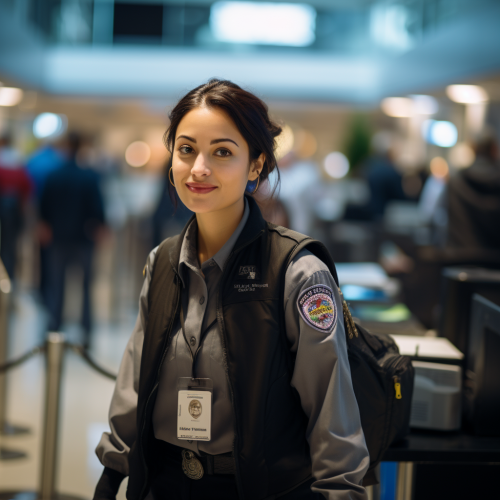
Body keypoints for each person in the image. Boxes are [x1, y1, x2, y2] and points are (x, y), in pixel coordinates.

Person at [93, 79, 369, 500]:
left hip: (255, 488)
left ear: (255, 165)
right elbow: (134, 381)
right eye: (186, 149)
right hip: (163, 483)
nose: (199, 168)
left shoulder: (297, 273)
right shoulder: (163, 261)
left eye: (222, 152)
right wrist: (112, 473)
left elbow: (331, 411)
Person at [39, 132, 106, 348]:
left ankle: (54, 328)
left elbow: (43, 207)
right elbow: (98, 208)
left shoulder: (54, 175)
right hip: (83, 239)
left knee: (57, 285)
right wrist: (100, 227)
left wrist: (44, 227)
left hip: (58, 238)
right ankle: (86, 332)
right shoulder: (89, 176)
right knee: (86, 287)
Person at [446, 130, 500, 250]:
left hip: (460, 261)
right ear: (494, 150)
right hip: (496, 262)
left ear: (472, 149)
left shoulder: (455, 182)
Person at [0, 134, 32, 280]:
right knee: (10, 247)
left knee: (8, 246)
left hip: (9, 210)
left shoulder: (13, 161)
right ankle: (10, 277)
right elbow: (27, 187)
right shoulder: (17, 162)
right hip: (14, 210)